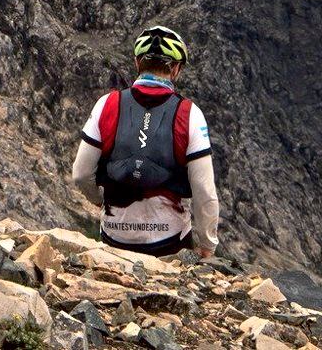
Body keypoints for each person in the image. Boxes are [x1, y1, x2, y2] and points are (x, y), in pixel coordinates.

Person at [70, 24, 220, 258]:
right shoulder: (189, 114)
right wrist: (207, 245)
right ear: (176, 69)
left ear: (138, 63)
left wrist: (99, 201)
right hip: (168, 242)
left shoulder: (107, 104)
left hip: (115, 238)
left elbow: (80, 174)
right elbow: (204, 191)